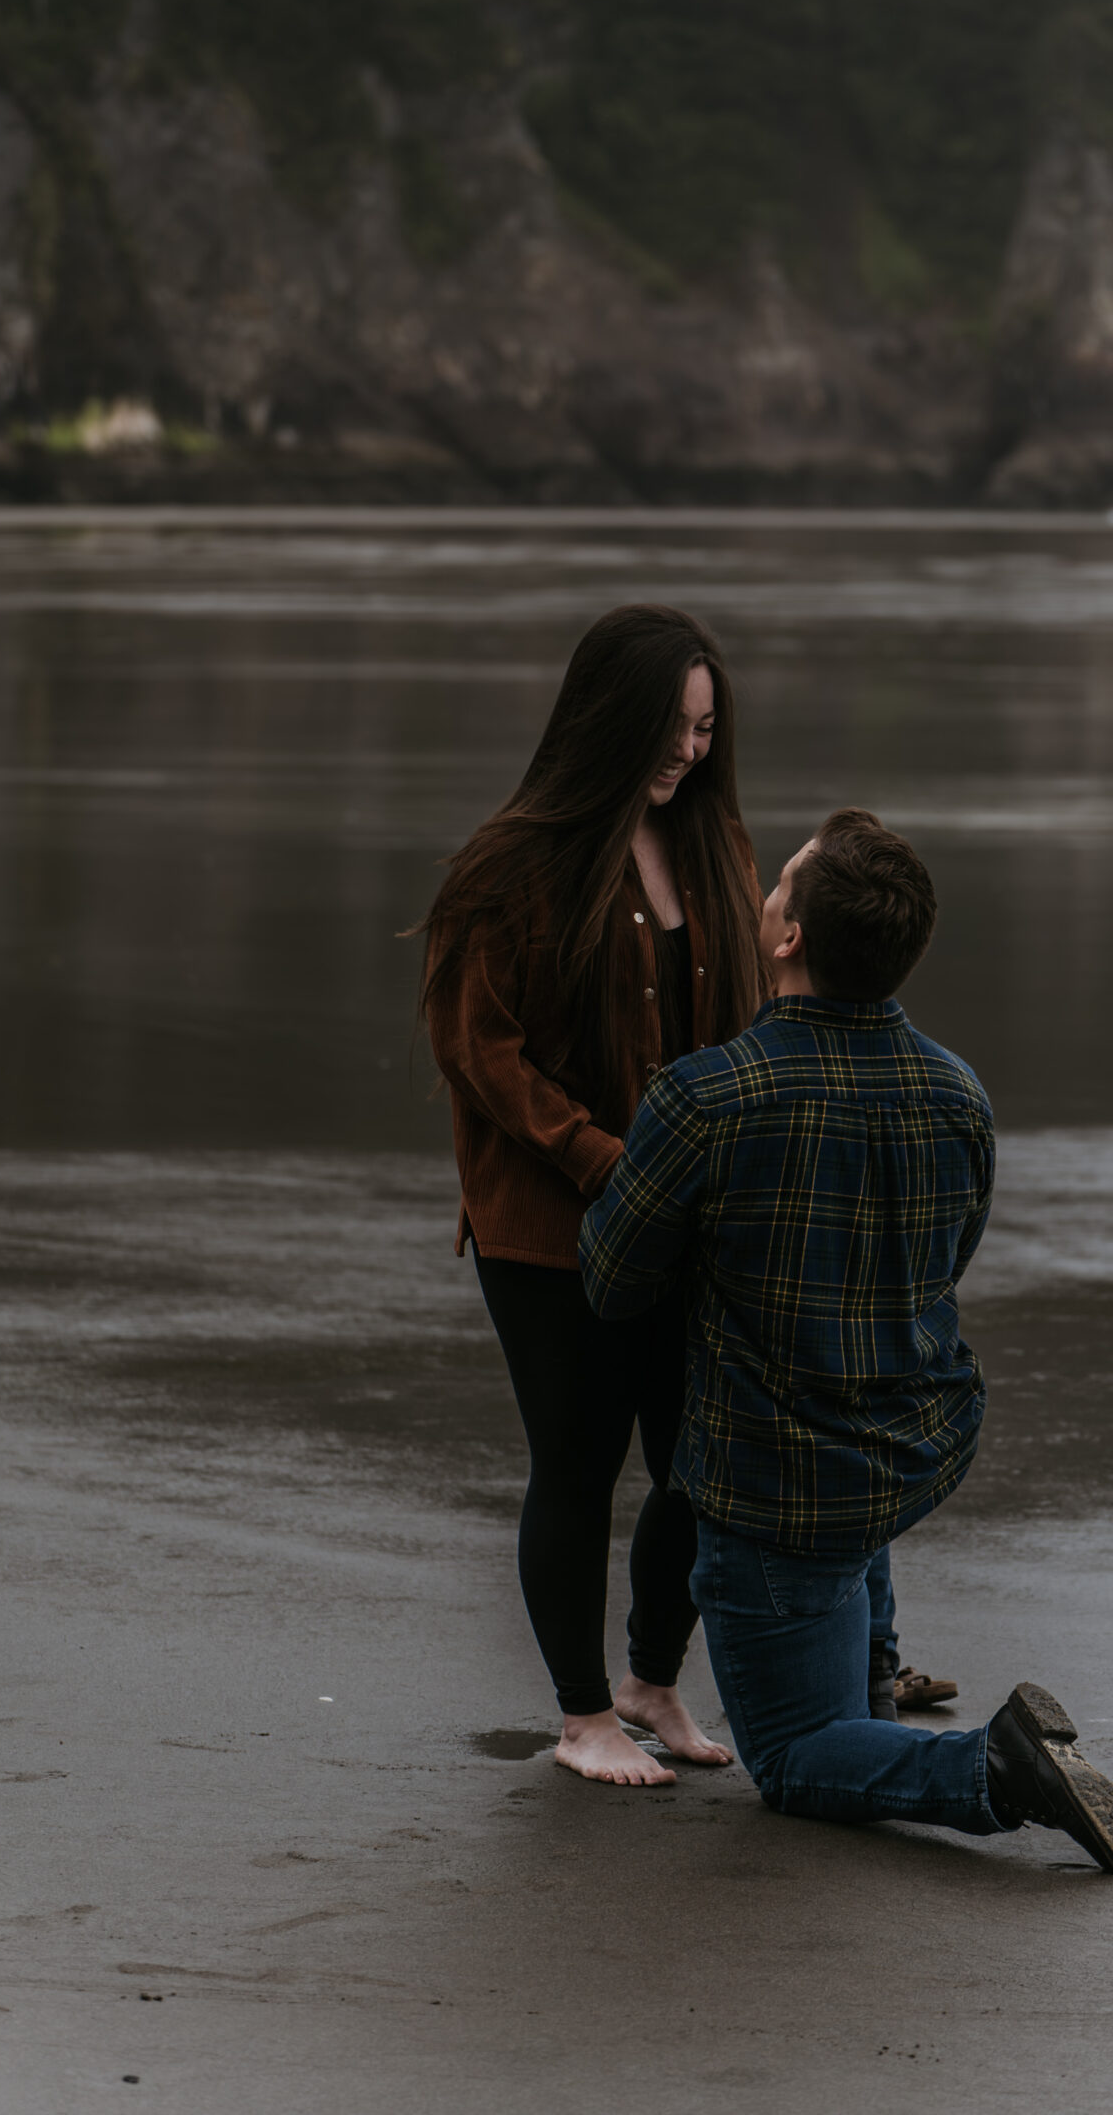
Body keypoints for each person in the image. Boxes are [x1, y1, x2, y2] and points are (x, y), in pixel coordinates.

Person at [578, 809, 1113, 1871]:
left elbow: (611, 1283)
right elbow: (944, 1262)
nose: (767, 893)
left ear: (788, 936)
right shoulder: (957, 1092)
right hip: (913, 1437)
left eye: (780, 882)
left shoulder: (706, 1098)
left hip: (776, 1479)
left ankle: (995, 1769)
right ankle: (875, 1671)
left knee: (793, 1756)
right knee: (849, 1446)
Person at [421, 605, 765, 1786]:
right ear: (608, 720)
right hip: (549, 1225)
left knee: (699, 1465)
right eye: (671, 726)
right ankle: (580, 1718)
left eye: (707, 729)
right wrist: (596, 1155)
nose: (688, 751)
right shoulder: (511, 863)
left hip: (684, 1221)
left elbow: (744, 1028)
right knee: (576, 1460)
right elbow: (479, 1046)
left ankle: (650, 1682)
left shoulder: (720, 847)